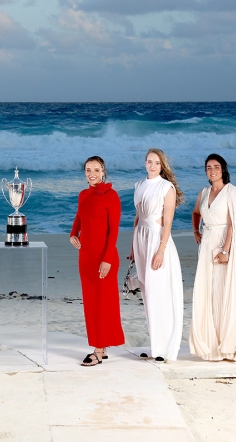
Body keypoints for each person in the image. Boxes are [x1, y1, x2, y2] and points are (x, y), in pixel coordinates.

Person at [189, 153, 236, 361]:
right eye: (208, 167)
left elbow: (234, 223)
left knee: (224, 290)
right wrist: (196, 231)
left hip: (224, 244)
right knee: (208, 291)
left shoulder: (232, 192)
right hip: (207, 243)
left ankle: (227, 344)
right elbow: (196, 213)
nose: (212, 171)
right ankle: (211, 345)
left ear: (223, 169)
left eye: (216, 167)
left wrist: (226, 250)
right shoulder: (204, 192)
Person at [130, 148, 184, 363]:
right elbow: (137, 217)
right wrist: (133, 247)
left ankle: (164, 348)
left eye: (156, 162)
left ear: (162, 166)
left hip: (156, 241)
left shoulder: (166, 187)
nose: (152, 165)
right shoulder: (139, 185)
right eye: (149, 161)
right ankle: (155, 346)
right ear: (145, 163)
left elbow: (168, 221)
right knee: (147, 295)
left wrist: (160, 250)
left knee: (159, 293)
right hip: (141, 239)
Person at [70, 155, 124, 366]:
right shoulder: (83, 195)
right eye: (88, 170)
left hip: (105, 257)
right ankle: (102, 345)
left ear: (103, 172)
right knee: (91, 304)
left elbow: (114, 231)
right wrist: (73, 233)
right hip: (86, 256)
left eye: (96, 170)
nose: (92, 174)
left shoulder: (112, 196)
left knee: (103, 304)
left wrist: (107, 259)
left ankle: (98, 350)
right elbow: (79, 217)